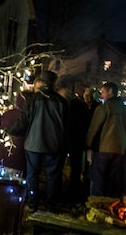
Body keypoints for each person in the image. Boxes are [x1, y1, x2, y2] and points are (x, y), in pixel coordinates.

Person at [7, 70, 68, 212]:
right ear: (53, 83)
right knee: (52, 176)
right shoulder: (62, 102)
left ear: (41, 82)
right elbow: (66, 125)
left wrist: (9, 130)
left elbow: (24, 121)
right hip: (54, 144)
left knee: (32, 175)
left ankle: (33, 204)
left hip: (34, 143)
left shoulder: (33, 99)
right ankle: (50, 206)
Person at [85, 82, 126, 197]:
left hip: (103, 149)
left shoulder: (104, 108)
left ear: (110, 91)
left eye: (103, 92)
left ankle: (96, 206)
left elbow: (94, 128)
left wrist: (88, 145)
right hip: (120, 150)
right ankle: (111, 204)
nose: (101, 96)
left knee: (98, 179)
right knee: (113, 181)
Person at [58, 83, 90, 202]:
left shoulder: (64, 107)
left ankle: (65, 192)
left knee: (62, 167)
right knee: (75, 168)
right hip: (77, 141)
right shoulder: (81, 106)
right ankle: (73, 191)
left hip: (66, 140)